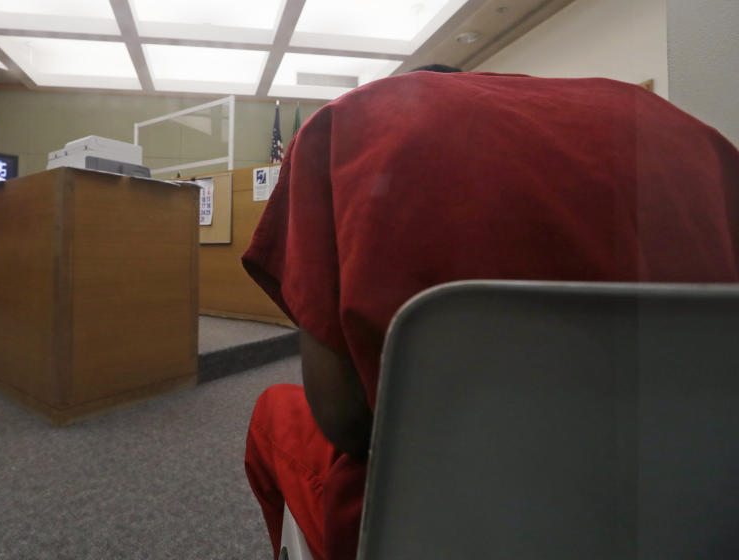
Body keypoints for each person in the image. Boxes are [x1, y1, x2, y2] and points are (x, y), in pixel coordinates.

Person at [241, 70, 739, 560]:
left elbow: (345, 420)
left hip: (435, 525)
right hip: (689, 510)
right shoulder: (684, 133)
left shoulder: (346, 126)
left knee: (272, 412)